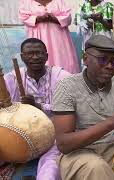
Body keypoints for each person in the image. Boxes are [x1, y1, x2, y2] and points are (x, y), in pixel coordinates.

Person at [52, 35, 114, 180]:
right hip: (78, 154)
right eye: (102, 59)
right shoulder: (67, 87)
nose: (109, 66)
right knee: (96, 168)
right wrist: (113, 122)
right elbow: (64, 144)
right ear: (85, 59)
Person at [4, 38, 70, 180]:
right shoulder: (12, 78)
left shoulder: (61, 76)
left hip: (54, 133)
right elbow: (5, 107)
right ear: (22, 57)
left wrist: (39, 107)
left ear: (46, 56)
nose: (35, 57)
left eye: (39, 53)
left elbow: (70, 108)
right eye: (29, 54)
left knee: (50, 169)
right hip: (20, 135)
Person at [19, 0, 80, 74]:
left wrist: (54, 18)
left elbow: (68, 17)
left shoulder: (59, 1)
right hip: (38, 37)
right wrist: (38, 18)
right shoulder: (26, 2)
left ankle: (63, 80)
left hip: (59, 38)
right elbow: (23, 17)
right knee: (39, 56)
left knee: (61, 59)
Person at [75, 0, 114, 69]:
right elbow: (77, 23)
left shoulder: (108, 6)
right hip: (88, 42)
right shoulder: (83, 6)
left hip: (104, 43)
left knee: (104, 64)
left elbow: (112, 26)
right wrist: (86, 24)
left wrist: (101, 20)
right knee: (90, 64)